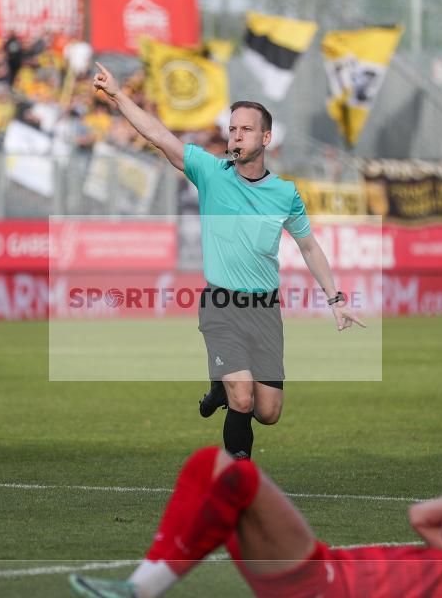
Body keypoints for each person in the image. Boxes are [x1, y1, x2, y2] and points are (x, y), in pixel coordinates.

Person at [92, 63, 364, 460]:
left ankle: (220, 385)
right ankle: (240, 479)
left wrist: (336, 299)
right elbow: (158, 135)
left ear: (266, 137)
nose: (236, 135)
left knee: (267, 412)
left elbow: (309, 247)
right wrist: (118, 95)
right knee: (242, 398)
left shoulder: (285, 193)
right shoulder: (211, 172)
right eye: (233, 129)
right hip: (222, 305)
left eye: (246, 129)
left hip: (266, 309)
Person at [70, 447, 442, 598]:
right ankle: (140, 587)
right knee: (217, 473)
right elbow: (426, 517)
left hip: (322, 585)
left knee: (234, 475)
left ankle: (140, 590)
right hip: (319, 573)